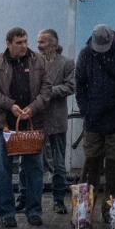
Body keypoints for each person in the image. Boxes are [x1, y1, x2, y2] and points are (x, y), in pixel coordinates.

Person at [0, 26, 49, 227]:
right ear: (8, 43)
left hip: (31, 123)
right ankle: (7, 213)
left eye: (25, 41)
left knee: (35, 169)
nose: (23, 46)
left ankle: (34, 211)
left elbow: (47, 89)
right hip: (3, 124)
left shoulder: (39, 60)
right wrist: (9, 105)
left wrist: (33, 108)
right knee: (3, 169)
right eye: (19, 42)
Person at [74, 24, 115, 220]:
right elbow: (80, 84)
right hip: (93, 120)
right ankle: (83, 210)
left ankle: (111, 209)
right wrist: (86, 110)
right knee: (91, 164)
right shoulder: (85, 54)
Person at [32, 29, 75, 216]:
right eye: (38, 42)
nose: (38, 46)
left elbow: (71, 86)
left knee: (58, 163)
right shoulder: (33, 61)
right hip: (37, 119)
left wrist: (48, 91)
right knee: (32, 162)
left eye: (42, 42)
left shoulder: (66, 63)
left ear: (54, 44)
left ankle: (58, 200)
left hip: (57, 119)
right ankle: (29, 199)